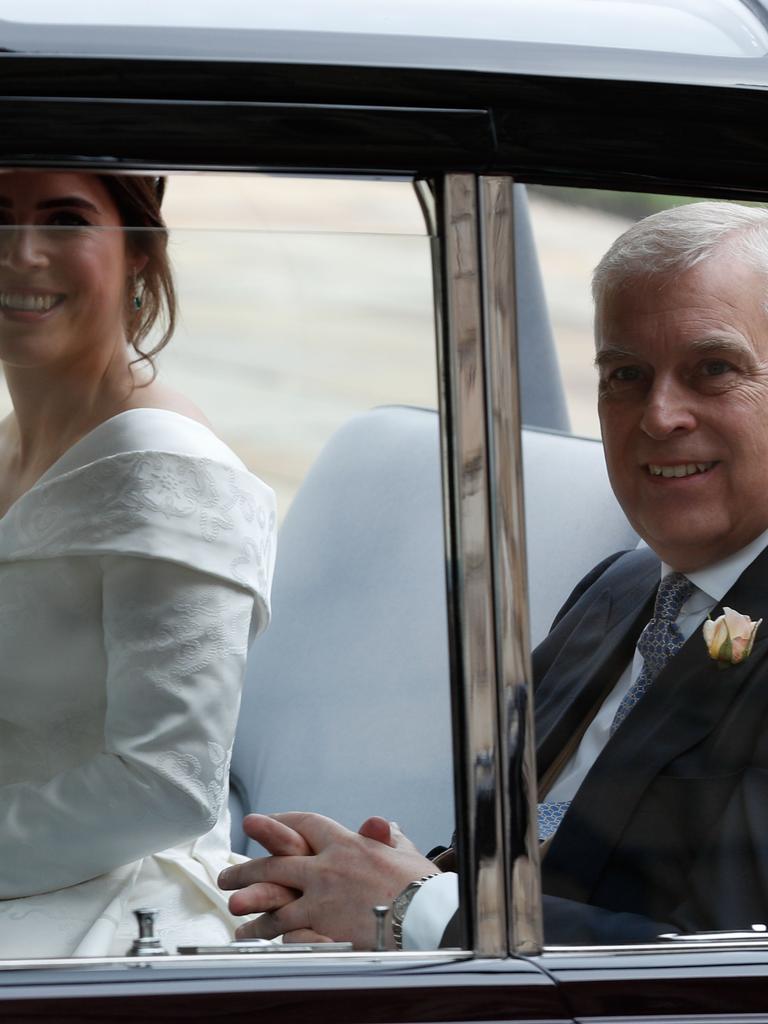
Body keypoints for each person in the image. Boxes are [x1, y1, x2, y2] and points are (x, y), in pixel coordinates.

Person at [219, 199, 768, 948]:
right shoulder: (620, 590)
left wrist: (414, 912)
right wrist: (358, 889)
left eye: (713, 369)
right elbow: (519, 855)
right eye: (625, 375)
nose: (658, 415)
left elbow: (724, 966)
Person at [0, 171, 276, 957]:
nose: (20, 254)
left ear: (140, 258)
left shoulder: (170, 469)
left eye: (63, 220)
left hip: (103, 902)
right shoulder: (12, 439)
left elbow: (168, 785)